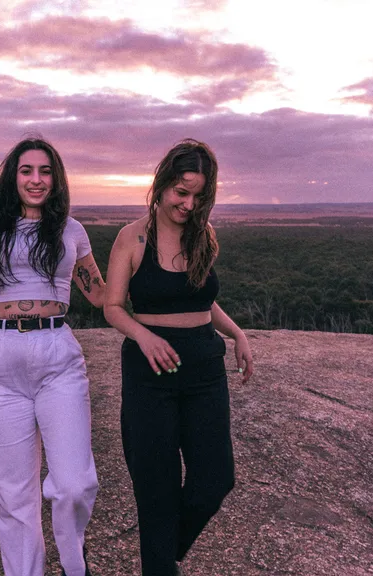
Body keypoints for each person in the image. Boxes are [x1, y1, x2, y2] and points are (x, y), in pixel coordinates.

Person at [103, 139, 253, 576]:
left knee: (214, 481)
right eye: (181, 192)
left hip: (204, 369)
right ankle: (159, 564)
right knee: (156, 491)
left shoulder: (203, 235)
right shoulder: (132, 237)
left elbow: (201, 299)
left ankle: (162, 553)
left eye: (198, 196)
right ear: (163, 183)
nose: (188, 204)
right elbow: (112, 306)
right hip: (150, 374)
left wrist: (237, 331)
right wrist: (144, 336)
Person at [0, 137, 106, 576]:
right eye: (27, 170)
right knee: (13, 494)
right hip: (2, 357)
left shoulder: (71, 229)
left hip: (57, 356)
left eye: (45, 170)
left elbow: (101, 293)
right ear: (14, 176)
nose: (36, 179)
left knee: (74, 483)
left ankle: (74, 565)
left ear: (57, 178)